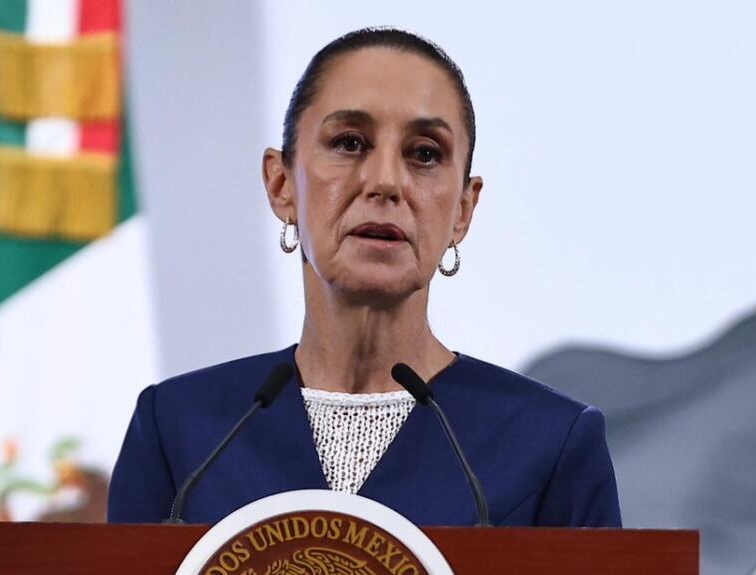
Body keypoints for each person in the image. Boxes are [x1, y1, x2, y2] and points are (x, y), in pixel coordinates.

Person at [107, 27, 621, 527]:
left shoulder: (549, 444)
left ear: (463, 210)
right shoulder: (180, 433)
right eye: (350, 142)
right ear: (281, 184)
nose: (385, 182)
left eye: (424, 154)